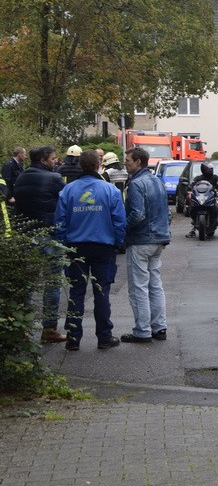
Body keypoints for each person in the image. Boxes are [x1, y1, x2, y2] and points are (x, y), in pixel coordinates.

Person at [54, 149, 126, 351]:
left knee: (76, 293)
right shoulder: (110, 190)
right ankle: (104, 337)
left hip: (76, 247)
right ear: (98, 165)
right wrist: (118, 243)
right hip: (103, 248)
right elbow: (119, 220)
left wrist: (62, 244)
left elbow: (59, 221)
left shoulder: (68, 190)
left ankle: (73, 338)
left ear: (80, 166)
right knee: (101, 292)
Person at [13, 145, 67, 342]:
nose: (56, 161)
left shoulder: (21, 176)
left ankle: (21, 330)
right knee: (52, 283)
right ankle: (49, 330)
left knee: (26, 284)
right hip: (48, 234)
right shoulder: (53, 179)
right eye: (53, 158)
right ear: (44, 159)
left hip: (25, 236)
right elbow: (66, 199)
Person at [121, 146, 171, 343]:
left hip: (141, 240)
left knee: (138, 287)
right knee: (155, 285)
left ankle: (142, 330)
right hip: (159, 239)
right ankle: (159, 327)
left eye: (127, 160)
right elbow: (166, 212)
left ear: (138, 162)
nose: (125, 163)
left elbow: (137, 214)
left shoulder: (135, 184)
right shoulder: (157, 181)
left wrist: (122, 229)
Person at [186, 162, 218, 238]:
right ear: (203, 169)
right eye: (208, 169)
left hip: (212, 198)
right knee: (193, 209)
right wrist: (190, 187)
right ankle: (192, 230)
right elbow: (192, 185)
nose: (210, 170)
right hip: (200, 198)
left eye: (211, 169)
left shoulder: (215, 177)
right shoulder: (198, 178)